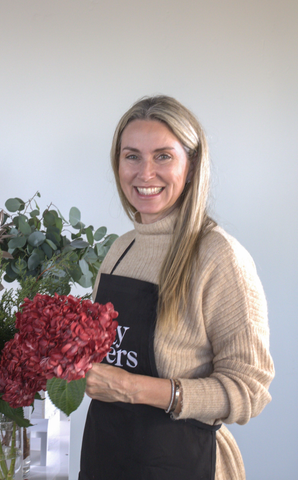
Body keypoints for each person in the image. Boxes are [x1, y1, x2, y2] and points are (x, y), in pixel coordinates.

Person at [79, 95, 274, 480]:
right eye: (131, 155)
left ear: (192, 164)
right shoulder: (121, 249)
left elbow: (249, 391)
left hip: (183, 463)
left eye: (163, 156)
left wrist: (135, 389)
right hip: (108, 456)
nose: (144, 172)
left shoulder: (218, 256)